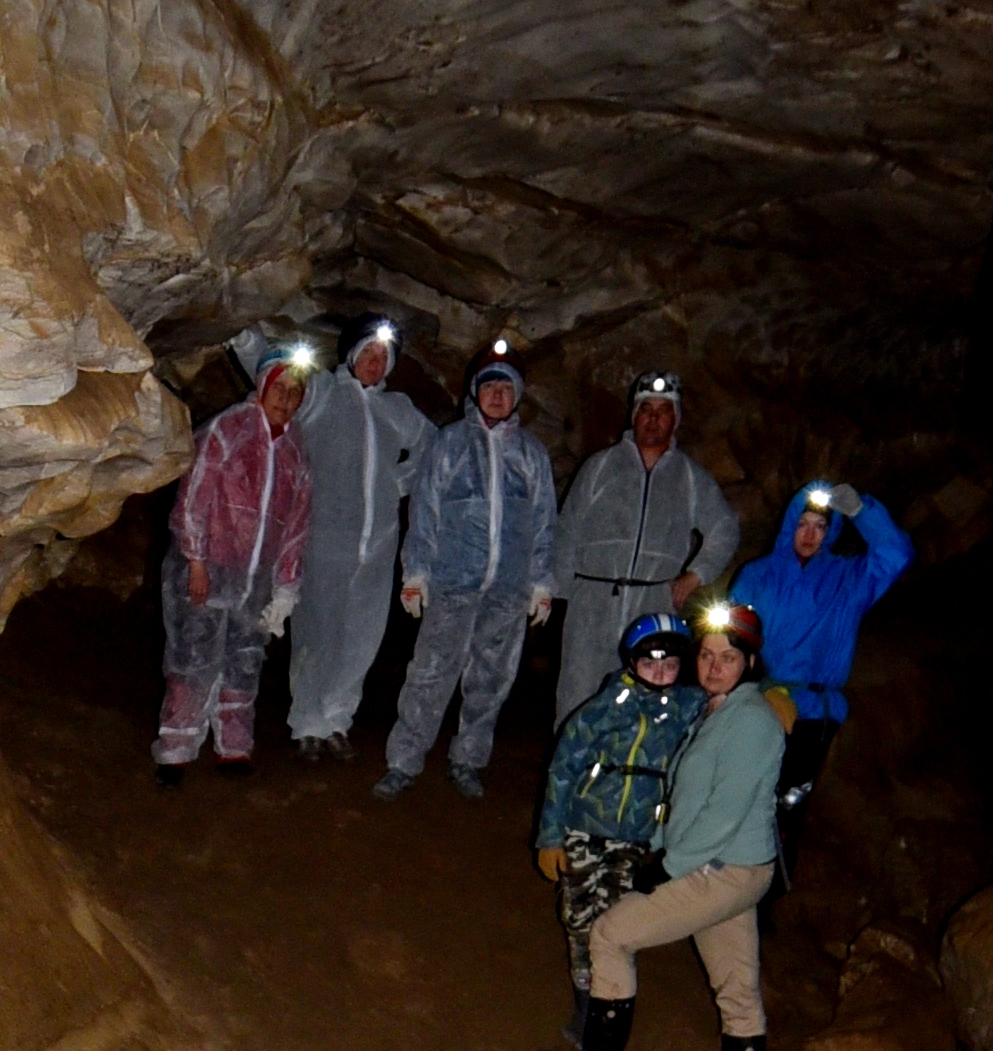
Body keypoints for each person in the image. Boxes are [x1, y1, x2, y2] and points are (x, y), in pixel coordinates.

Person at [538, 596, 783, 1051]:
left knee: (609, 934)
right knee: (736, 985)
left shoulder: (751, 723)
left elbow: (723, 814)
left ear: (751, 664)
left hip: (721, 870)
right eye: (708, 656)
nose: (715, 667)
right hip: (732, 868)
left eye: (729, 658)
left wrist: (667, 866)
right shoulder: (713, 709)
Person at [374, 343, 556, 803]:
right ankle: (404, 762)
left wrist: (542, 582)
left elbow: (544, 522)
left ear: (518, 395)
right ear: (475, 393)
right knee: (430, 674)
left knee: (492, 680)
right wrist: (416, 573)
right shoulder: (449, 442)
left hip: (507, 590)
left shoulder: (532, 455)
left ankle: (469, 759)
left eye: (505, 386)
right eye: (489, 385)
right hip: (453, 583)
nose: (497, 394)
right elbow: (426, 511)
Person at [534, 610, 702, 1043]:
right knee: (578, 919)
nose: (660, 672)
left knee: (612, 923)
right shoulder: (604, 708)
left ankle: (603, 1013)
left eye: (670, 665)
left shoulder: (688, 707)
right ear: (631, 662)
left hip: (636, 838)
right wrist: (550, 836)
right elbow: (563, 768)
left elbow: (735, 684)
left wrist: (775, 691)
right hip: (584, 829)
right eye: (650, 663)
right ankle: (586, 1001)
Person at [153, 345, 313, 781]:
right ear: (261, 384)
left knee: (243, 660)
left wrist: (285, 589)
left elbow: (296, 527)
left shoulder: (296, 454)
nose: (285, 398)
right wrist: (196, 561)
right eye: (278, 387)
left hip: (255, 581)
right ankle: (176, 749)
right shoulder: (228, 429)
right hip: (211, 567)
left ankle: (234, 747)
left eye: (294, 391)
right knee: (193, 657)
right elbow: (193, 499)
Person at [547, 370, 740, 726]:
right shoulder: (599, 467)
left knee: (643, 703)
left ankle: (625, 780)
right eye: (645, 408)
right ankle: (570, 779)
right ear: (633, 415)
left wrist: (694, 576)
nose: (653, 418)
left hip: (652, 606)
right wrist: (558, 592)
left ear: (675, 419)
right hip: (593, 602)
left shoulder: (690, 478)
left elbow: (724, 529)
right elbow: (567, 530)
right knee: (578, 699)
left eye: (663, 410)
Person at [724, 478, 912, 831]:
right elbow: (729, 641)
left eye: (820, 526)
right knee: (740, 796)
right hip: (759, 702)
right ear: (789, 525)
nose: (810, 535)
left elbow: (896, 555)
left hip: (813, 713)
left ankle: (774, 881)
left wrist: (862, 511)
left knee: (787, 809)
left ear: (832, 531)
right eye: (803, 524)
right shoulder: (757, 575)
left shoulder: (849, 578)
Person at [287, 318, 432, 762]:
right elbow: (271, 372)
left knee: (362, 636)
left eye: (383, 356)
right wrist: (239, 331)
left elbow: (434, 447)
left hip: (378, 544)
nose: (375, 362)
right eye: (368, 352)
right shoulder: (323, 393)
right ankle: (307, 723)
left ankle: (336, 719)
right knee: (316, 632)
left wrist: (400, 482)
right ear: (351, 355)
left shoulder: (397, 407)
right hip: (327, 536)